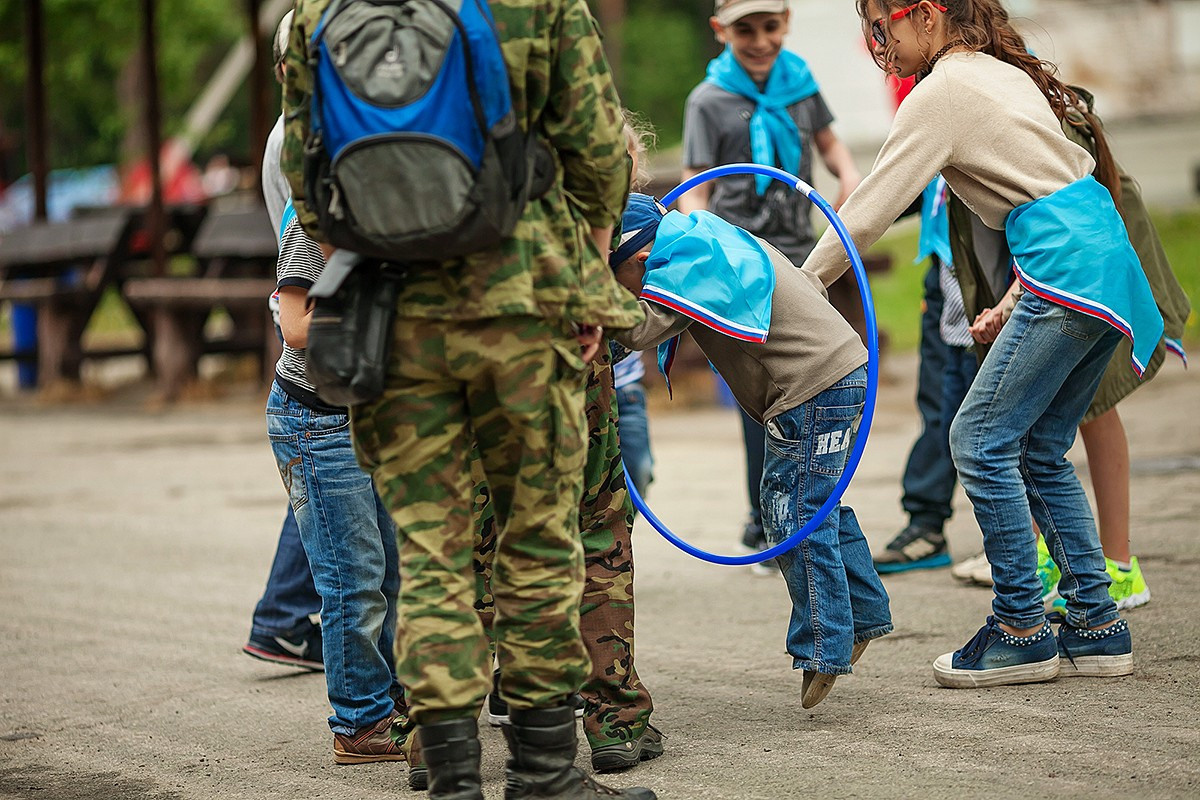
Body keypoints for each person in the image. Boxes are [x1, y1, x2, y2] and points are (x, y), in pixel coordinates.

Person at [282, 2, 656, 798]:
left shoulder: (318, 13)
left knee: (430, 556)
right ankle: (544, 775)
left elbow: (306, 181)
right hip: (521, 311)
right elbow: (598, 150)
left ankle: (452, 780)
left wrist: (377, 263)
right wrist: (586, 284)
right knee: (538, 546)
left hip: (396, 324)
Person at [804, 0, 1163, 688]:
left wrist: (801, 285)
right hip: (1102, 267)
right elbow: (1052, 188)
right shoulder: (995, 72)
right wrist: (1013, 298)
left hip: (1067, 270)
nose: (878, 44)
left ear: (929, 16)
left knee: (978, 440)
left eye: (885, 26)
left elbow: (870, 207)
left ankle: (1022, 627)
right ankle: (1095, 621)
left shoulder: (941, 93)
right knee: (1038, 444)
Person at [612, 194, 893, 709]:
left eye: (617, 284)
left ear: (636, 261)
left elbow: (637, 329)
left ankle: (824, 648)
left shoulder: (686, 265)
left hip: (810, 384)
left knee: (791, 510)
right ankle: (865, 614)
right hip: (839, 369)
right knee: (815, 499)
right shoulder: (705, 239)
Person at [945, 84, 1191, 610]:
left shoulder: (1021, 108)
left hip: (1082, 287)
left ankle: (1115, 568)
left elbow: (1069, 216)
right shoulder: (973, 102)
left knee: (1080, 417)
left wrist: (1013, 298)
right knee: (1035, 437)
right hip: (1039, 280)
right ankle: (1070, 584)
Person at [262, 9, 406, 765]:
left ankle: (394, 702)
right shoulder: (317, 218)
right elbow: (293, 327)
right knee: (354, 583)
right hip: (315, 418)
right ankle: (359, 722)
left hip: (371, 416)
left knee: (392, 569)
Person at [678, 0, 862, 561]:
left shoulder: (800, 83)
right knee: (761, 393)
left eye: (771, 27)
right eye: (744, 29)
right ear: (720, 31)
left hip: (802, 259)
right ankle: (765, 518)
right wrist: (696, 236)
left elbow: (829, 144)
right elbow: (695, 180)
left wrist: (848, 177)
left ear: (786, 23)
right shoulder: (708, 100)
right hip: (742, 266)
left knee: (810, 383)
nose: (760, 40)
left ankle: (812, 506)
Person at [242, 10, 325, 674]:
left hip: (311, 292)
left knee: (331, 488)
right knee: (329, 476)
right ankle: (281, 616)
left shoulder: (307, 131)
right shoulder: (295, 141)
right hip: (313, 302)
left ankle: (281, 615)